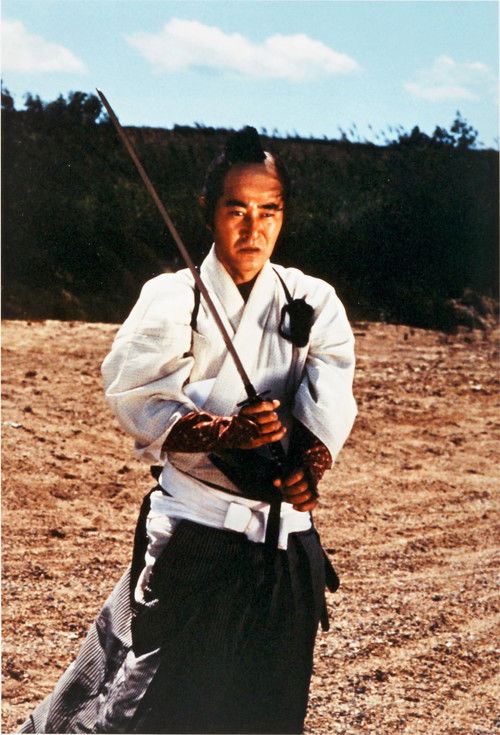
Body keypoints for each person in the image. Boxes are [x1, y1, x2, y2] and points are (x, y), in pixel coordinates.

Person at [20, 127, 356, 734]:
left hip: (286, 548)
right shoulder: (174, 296)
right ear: (208, 212)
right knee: (149, 710)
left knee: (265, 715)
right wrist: (228, 432)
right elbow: (140, 396)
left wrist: (307, 470)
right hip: (197, 537)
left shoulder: (314, 298)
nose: (253, 229)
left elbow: (329, 393)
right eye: (236, 210)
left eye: (268, 211)